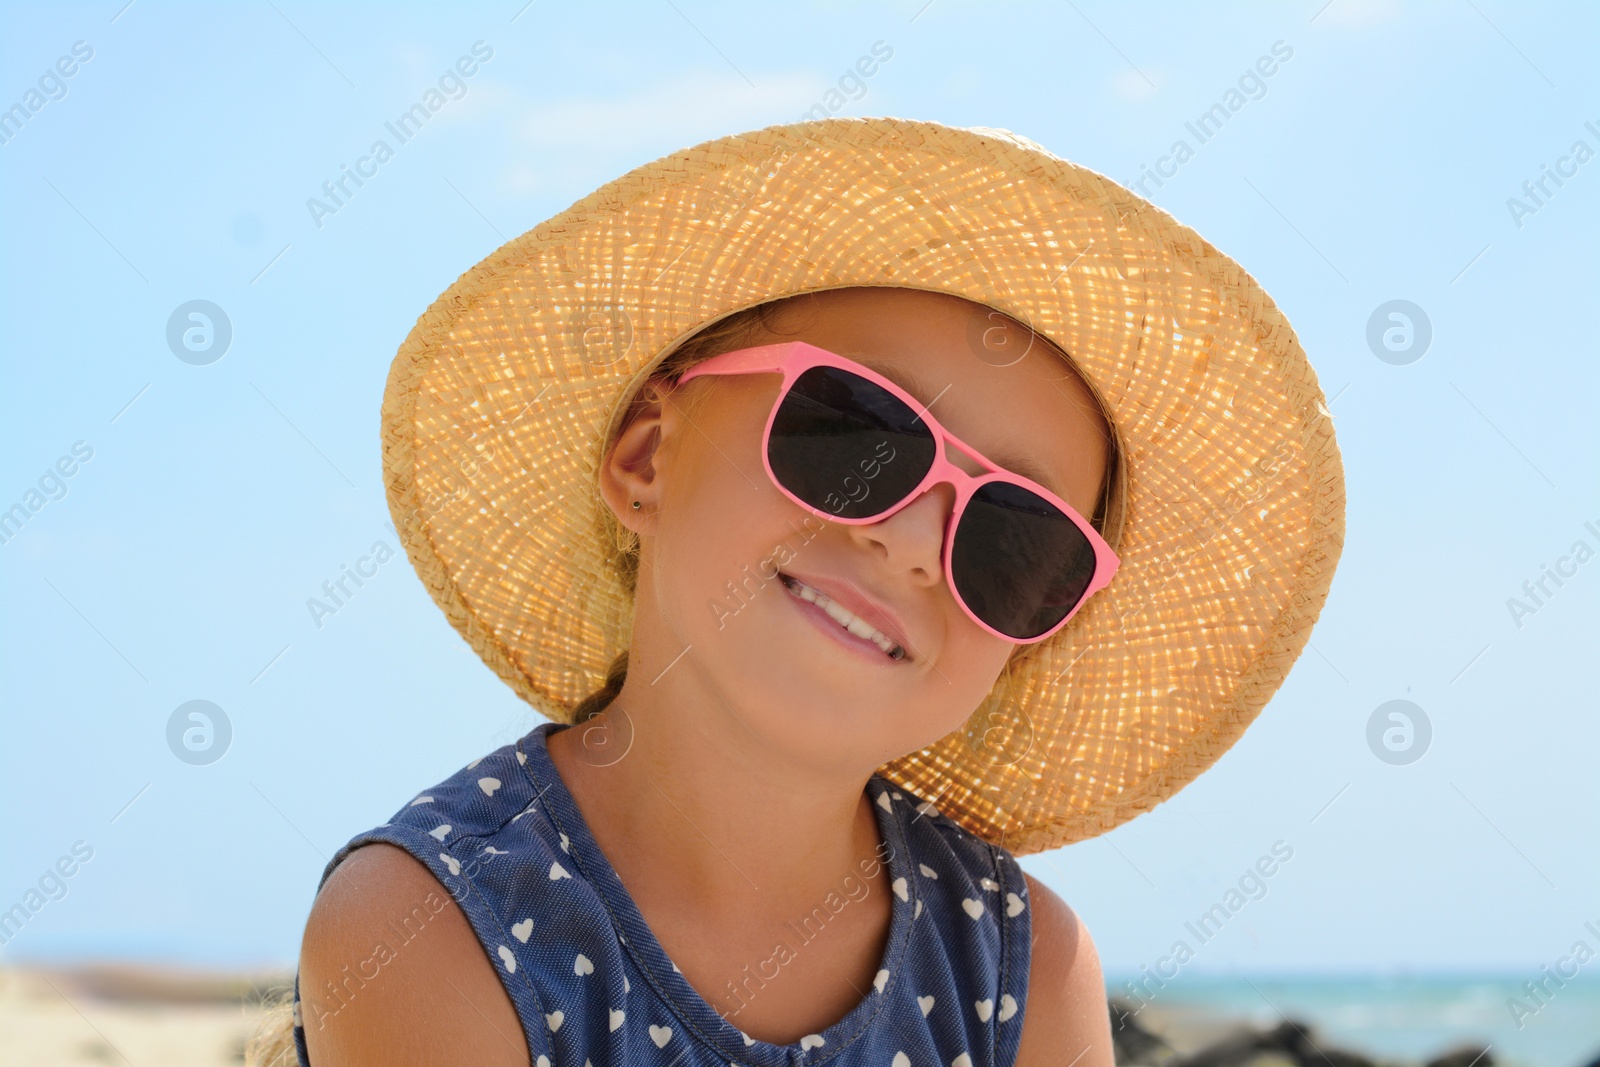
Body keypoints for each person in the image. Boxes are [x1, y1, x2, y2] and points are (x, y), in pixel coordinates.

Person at [247, 117, 1345, 1067]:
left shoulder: (1021, 962)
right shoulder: (433, 922)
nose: (916, 541)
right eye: (857, 434)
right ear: (644, 456)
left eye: (1014, 539)